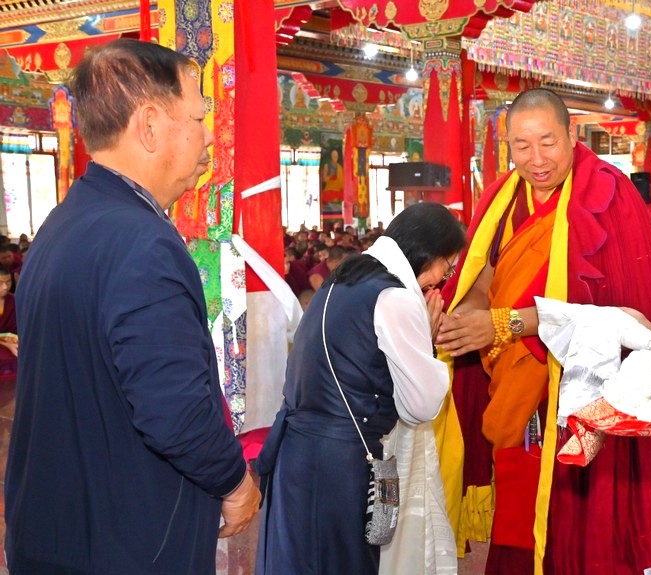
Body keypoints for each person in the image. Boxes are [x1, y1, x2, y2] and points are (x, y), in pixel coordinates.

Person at [4, 39, 260, 574]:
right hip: (126, 542)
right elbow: (175, 410)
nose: (209, 136)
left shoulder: (63, 225)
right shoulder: (143, 243)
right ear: (148, 126)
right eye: (198, 118)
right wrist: (235, 482)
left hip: (57, 526)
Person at [436, 88, 651, 575]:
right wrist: (467, 319)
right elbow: (481, 278)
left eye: (548, 142)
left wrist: (503, 323)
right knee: (520, 514)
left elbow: (617, 314)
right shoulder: (502, 199)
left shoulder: (608, 195)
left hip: (584, 390)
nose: (537, 159)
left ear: (570, 135)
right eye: (522, 146)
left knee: (582, 521)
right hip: (518, 386)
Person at [256, 202, 464, 574]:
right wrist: (427, 340)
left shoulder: (347, 277)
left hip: (298, 451)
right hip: (341, 462)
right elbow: (422, 404)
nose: (440, 281)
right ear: (429, 253)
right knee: (342, 562)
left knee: (302, 560)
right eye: (446, 268)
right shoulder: (395, 297)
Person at [0, 266, 17, 374]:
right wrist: (7, 345)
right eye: (0, 283)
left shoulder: (14, 300)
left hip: (11, 340)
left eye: (8, 282)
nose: (5, 287)